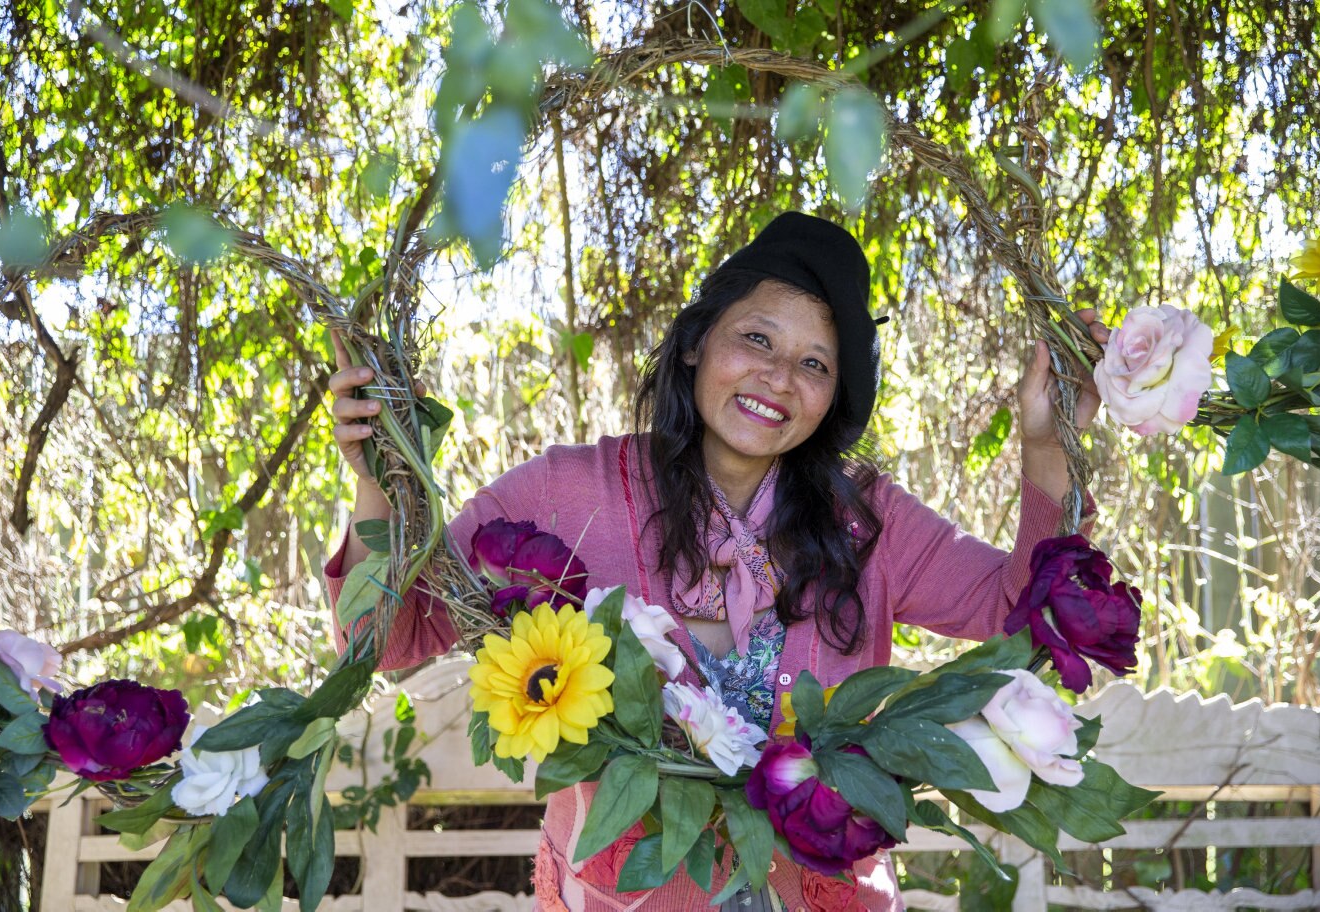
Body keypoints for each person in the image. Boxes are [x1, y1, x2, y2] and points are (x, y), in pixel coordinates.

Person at [324, 213, 1108, 911]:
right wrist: (376, 481)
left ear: (832, 398)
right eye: (757, 339)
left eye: (814, 364)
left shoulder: (869, 521)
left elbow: (1029, 617)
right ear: (699, 342)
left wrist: (1047, 450)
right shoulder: (568, 492)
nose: (777, 378)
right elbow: (388, 638)